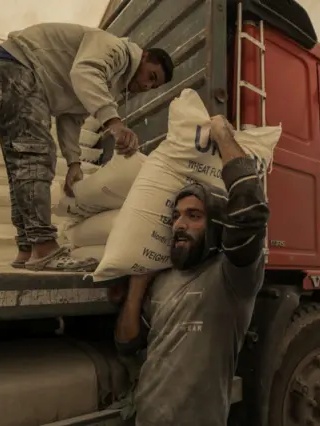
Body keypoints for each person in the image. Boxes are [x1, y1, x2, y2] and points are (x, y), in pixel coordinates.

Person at [113, 116, 270, 426]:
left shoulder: (232, 279)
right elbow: (127, 345)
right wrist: (136, 288)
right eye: (176, 216)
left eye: (193, 215)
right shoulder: (161, 281)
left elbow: (251, 210)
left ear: (214, 225)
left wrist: (223, 135)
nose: (179, 224)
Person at [0, 23, 174, 271]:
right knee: (35, 158)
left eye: (154, 86)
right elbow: (84, 73)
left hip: (8, 68)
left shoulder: (111, 81)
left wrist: (74, 162)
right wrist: (114, 122)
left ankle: (27, 247)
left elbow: (71, 116)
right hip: (18, 67)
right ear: (144, 56)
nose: (148, 86)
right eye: (151, 76)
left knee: (21, 163)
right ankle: (43, 247)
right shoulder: (116, 49)